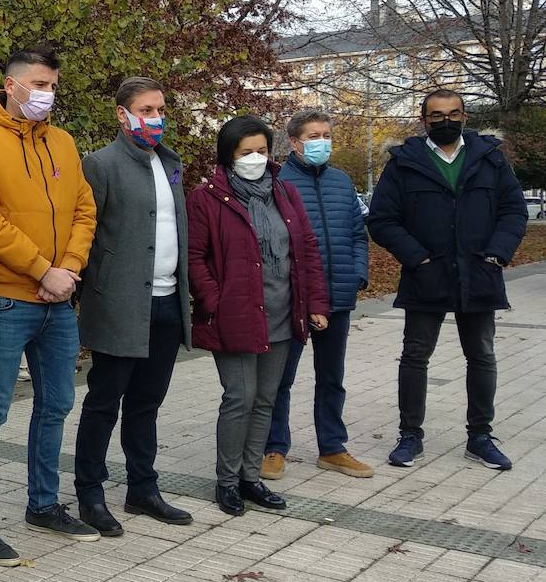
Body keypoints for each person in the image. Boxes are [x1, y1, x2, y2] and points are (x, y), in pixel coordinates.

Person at [0, 47, 98, 564]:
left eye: (54, 86)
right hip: (3, 299)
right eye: (39, 84)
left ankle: (43, 504)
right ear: (10, 85)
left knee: (57, 402)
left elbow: (84, 207)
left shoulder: (62, 141)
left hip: (58, 299)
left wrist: (69, 270)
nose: (48, 95)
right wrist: (43, 270)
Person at [368, 90, 527, 470]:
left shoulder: (490, 159)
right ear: (423, 120)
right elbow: (382, 219)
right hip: (427, 276)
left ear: (465, 116)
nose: (446, 121)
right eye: (437, 115)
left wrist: (496, 255)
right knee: (415, 356)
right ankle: (410, 436)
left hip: (479, 273)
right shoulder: (404, 163)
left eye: (453, 114)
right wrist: (417, 257)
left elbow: (513, 211)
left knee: (482, 356)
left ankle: (480, 436)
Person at [186, 116, 329, 517]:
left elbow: (307, 249)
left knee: (265, 398)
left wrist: (316, 303)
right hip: (234, 314)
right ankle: (227, 481)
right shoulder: (207, 197)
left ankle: (252, 478)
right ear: (228, 155)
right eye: (245, 152)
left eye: (262, 151)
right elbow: (195, 257)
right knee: (239, 398)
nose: (255, 158)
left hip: (283, 310)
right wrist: (214, 300)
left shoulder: (285, 192)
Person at [74, 78, 192, 537]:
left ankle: (143, 488)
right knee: (104, 402)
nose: (156, 118)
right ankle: (90, 492)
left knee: (147, 403)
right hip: (121, 305)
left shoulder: (170, 163)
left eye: (160, 108)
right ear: (122, 115)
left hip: (166, 302)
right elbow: (85, 233)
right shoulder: (99, 164)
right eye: (146, 109)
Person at [264, 109, 373, 480]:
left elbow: (359, 234)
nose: (322, 142)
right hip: (293, 299)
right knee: (281, 378)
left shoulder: (343, 182)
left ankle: (332, 447)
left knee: (332, 377)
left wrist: (358, 274)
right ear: (294, 142)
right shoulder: (275, 183)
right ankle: (273, 447)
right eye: (313, 136)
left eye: (326, 134)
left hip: (338, 295)